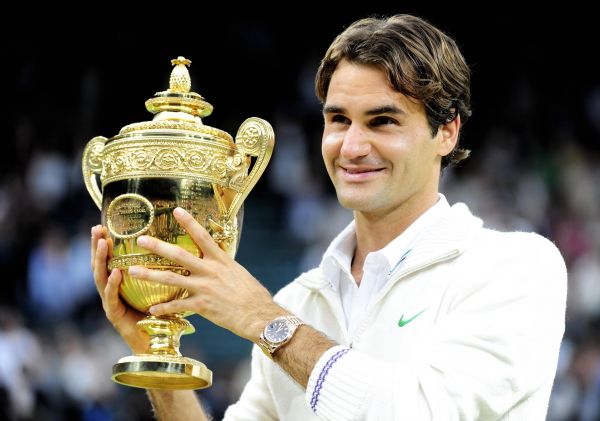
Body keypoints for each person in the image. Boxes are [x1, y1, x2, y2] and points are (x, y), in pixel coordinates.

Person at [91, 14, 567, 420]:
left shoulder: (515, 268)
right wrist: (155, 353)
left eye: (383, 121)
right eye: (338, 120)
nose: (352, 147)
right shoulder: (298, 300)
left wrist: (264, 319)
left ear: (445, 131)